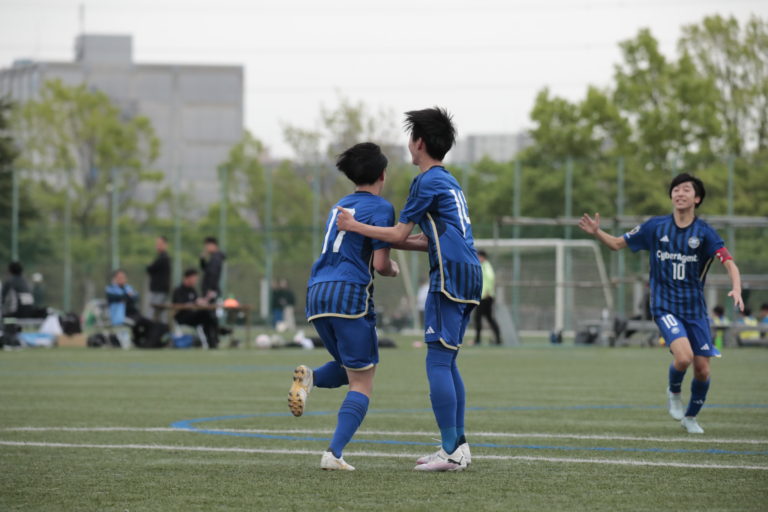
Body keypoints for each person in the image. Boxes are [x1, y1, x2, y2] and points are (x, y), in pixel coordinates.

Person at [337, 107, 480, 471]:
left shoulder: (425, 182)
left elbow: (400, 232)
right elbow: (424, 239)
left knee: (437, 360)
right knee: (448, 359)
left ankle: (450, 450)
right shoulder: (449, 181)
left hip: (449, 276)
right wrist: (384, 239)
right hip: (469, 272)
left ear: (419, 142)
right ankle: (458, 446)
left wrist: (357, 228)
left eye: (410, 137)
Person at [578, 172, 743, 434]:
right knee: (684, 357)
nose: (679, 193)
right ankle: (674, 392)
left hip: (695, 310)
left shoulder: (705, 233)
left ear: (697, 198)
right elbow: (617, 244)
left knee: (702, 370)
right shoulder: (655, 226)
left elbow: (729, 262)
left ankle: (690, 417)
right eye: (676, 189)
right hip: (665, 306)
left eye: (686, 189)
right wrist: (597, 232)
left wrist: (736, 288)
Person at [288, 142, 406, 471]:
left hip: (317, 293)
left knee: (349, 366)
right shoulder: (382, 208)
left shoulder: (337, 207)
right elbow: (380, 264)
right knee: (363, 381)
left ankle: (309, 378)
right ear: (383, 175)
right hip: (349, 294)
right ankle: (334, 453)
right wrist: (394, 269)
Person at [106, 269, 164, 348]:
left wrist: (125, 297)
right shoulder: (111, 289)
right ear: (115, 279)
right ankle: (140, 343)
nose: (121, 279)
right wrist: (127, 296)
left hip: (134, 314)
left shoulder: (128, 288)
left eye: (123, 277)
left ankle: (148, 343)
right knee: (137, 323)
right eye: (119, 277)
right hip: (121, 316)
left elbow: (136, 297)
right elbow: (114, 297)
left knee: (151, 324)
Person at [171, 268, 217, 346]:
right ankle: (211, 342)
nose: (195, 281)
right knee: (206, 315)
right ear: (188, 278)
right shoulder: (178, 290)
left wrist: (207, 298)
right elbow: (179, 305)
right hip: (182, 317)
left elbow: (197, 301)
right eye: (194, 279)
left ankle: (212, 341)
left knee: (209, 316)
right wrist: (194, 303)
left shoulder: (192, 290)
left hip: (193, 316)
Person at [199, 236, 225, 348]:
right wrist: (202, 260)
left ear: (213, 245)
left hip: (211, 291)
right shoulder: (213, 258)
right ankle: (213, 340)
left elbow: (213, 275)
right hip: (210, 291)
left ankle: (213, 340)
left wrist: (210, 291)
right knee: (210, 316)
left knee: (210, 316)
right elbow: (206, 270)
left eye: (207, 246)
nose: (206, 248)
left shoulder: (216, 259)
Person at [474, 250, 501, 345]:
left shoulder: (486, 266)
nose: (477, 258)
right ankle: (498, 339)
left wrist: (487, 291)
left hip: (485, 296)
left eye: (479, 256)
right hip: (484, 296)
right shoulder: (483, 266)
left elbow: (491, 278)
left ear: (483, 257)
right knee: (489, 318)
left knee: (478, 317)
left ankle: (477, 340)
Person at [146, 235, 171, 321]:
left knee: (153, 310)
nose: (157, 246)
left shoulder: (164, 258)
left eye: (160, 244)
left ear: (165, 245)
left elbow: (150, 268)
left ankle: (148, 326)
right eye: (157, 244)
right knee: (160, 311)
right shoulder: (160, 257)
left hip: (160, 290)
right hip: (158, 289)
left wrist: (150, 266)